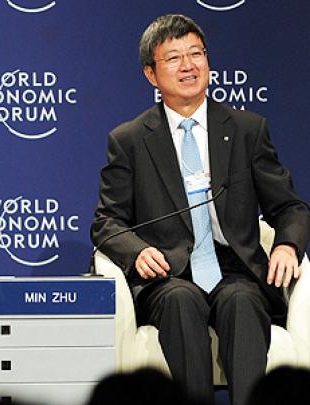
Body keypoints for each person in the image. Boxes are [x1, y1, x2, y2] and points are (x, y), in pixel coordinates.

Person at [91, 14, 310, 405]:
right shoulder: (129, 139)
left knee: (242, 300)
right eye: (174, 58)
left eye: (196, 54)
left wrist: (287, 245)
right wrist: (138, 251)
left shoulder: (247, 129)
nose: (189, 65)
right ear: (151, 75)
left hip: (235, 268)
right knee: (180, 300)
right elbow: (107, 221)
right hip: (169, 274)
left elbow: (289, 205)